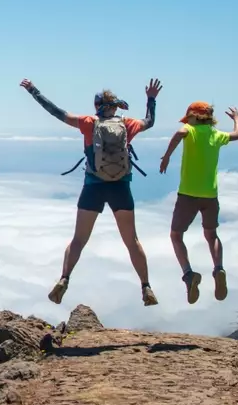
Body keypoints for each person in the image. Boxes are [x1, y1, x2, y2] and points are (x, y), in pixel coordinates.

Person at [19, 77, 162, 306]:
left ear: (97, 106)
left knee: (78, 240)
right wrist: (151, 99)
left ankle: (64, 279)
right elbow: (150, 121)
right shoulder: (128, 125)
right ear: (115, 107)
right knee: (132, 241)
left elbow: (57, 112)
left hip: (93, 187)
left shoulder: (88, 123)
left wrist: (33, 91)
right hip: (121, 188)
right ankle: (146, 287)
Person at [158, 101, 238, 304]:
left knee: (176, 235)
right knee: (211, 234)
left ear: (195, 117)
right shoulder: (216, 135)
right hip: (210, 196)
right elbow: (237, 135)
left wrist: (167, 157)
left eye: (189, 118)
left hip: (188, 194)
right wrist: (237, 119)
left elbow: (179, 134)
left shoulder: (190, 129)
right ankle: (218, 269)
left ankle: (189, 275)